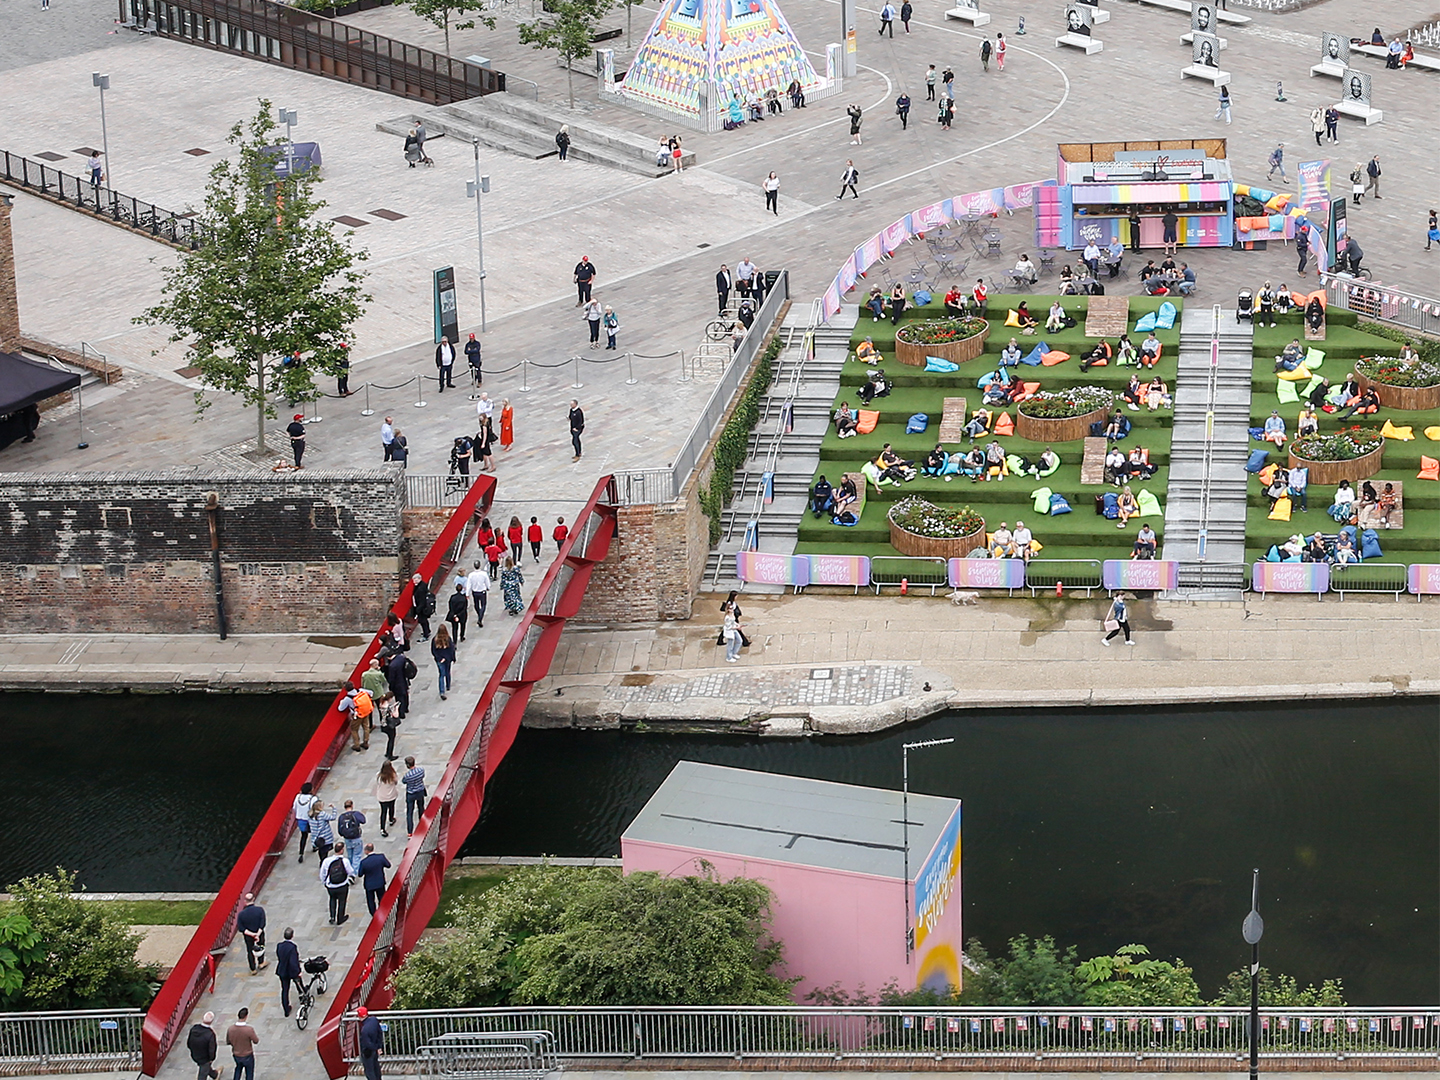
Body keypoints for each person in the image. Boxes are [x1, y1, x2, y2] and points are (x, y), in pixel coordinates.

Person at [320, 841, 351, 925]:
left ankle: (332, 917)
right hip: (342, 885)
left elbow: (322, 873)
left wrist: (324, 883)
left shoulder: (327, 861)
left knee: (332, 899)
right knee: (342, 901)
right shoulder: (345, 861)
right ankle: (340, 918)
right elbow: (350, 872)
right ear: (342, 850)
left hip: (331, 885)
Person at [357, 843, 392, 916]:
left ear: (366, 851)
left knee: (370, 900)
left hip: (369, 884)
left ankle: (373, 914)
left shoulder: (364, 862)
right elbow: (388, 865)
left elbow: (360, 874)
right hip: (380, 882)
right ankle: (384, 910)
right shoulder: (381, 857)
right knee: (382, 897)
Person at [236, 892, 266, 974]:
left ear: (245, 901)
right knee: (261, 947)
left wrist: (252, 934)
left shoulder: (241, 914)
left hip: (248, 936)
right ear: (253, 899)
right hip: (259, 934)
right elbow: (262, 924)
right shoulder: (260, 910)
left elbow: (241, 928)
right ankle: (261, 963)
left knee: (250, 951)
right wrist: (257, 934)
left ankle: (253, 968)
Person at [275, 928, 301, 1017]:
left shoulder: (279, 945)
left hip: (282, 970)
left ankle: (286, 1009)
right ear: (292, 936)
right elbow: (293, 962)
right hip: (291, 971)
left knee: (285, 990)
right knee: (299, 983)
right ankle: (302, 996)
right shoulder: (292, 947)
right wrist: (298, 971)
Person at [372, 759, 398, 838]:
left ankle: (382, 828)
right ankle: (391, 819)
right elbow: (396, 782)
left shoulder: (379, 776)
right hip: (391, 795)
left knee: (383, 812)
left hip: (382, 796)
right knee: (391, 807)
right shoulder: (392, 776)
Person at [401, 756, 426, 835]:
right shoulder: (421, 770)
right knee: (421, 808)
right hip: (420, 792)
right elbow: (422, 776)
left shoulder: (407, 775)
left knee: (409, 813)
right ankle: (422, 826)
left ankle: (410, 832)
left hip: (411, 794)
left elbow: (404, 781)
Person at [430, 622, 455, 699]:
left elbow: (433, 651)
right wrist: (453, 658)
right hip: (447, 659)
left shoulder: (435, 640)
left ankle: (442, 691)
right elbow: (452, 650)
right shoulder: (448, 639)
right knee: (448, 672)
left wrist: (439, 658)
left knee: (441, 674)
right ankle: (448, 685)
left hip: (439, 660)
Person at [359, 1007, 384, 1080]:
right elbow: (379, 1033)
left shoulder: (364, 1030)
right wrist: (378, 1047)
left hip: (368, 1052)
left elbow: (367, 1043)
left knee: (369, 1071)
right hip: (375, 1050)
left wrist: (375, 1048)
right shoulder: (374, 1020)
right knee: (376, 1068)